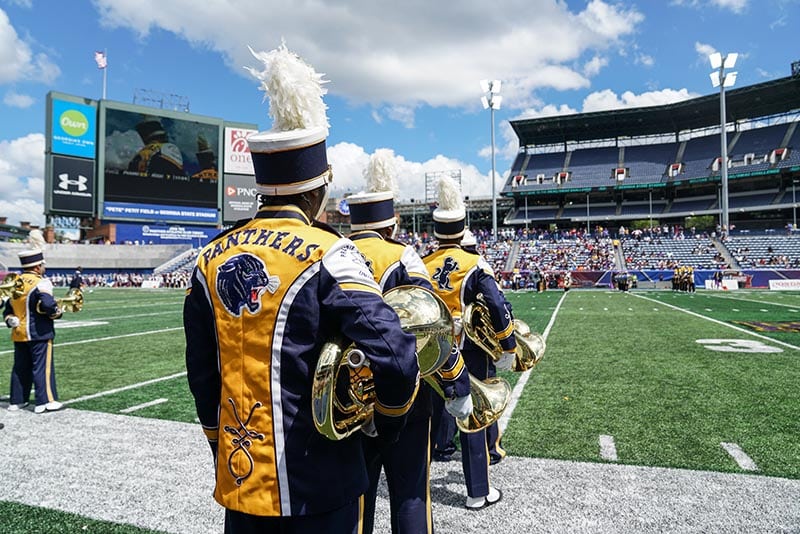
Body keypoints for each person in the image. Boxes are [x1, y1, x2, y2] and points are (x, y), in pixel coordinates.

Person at [184, 44, 420, 534]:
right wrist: (387, 421)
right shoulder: (329, 252)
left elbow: (202, 374)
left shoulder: (209, 258)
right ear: (318, 190)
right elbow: (396, 356)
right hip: (319, 486)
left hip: (241, 478)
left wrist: (219, 443)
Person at [347, 149, 471, 533]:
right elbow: (430, 326)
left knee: (356, 495)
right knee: (410, 493)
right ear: (392, 224)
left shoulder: (335, 252)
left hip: (347, 399)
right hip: (405, 396)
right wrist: (457, 384)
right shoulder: (404, 256)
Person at [423, 176, 517, 510]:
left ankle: (423, 478)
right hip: (467, 349)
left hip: (431, 351)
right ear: (464, 228)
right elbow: (496, 304)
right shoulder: (475, 263)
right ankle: (477, 491)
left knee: (431, 413)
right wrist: (507, 345)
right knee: (472, 414)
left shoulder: (421, 263)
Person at [3, 249, 64, 414]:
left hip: (18, 332)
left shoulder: (14, 282)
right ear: (37, 267)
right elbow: (48, 305)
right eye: (42, 265)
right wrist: (58, 311)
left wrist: (10, 319)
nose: (43, 267)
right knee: (42, 368)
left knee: (20, 368)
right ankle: (45, 401)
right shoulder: (41, 282)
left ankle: (17, 401)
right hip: (39, 332)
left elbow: (7, 310)